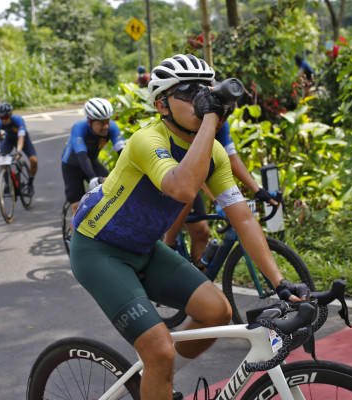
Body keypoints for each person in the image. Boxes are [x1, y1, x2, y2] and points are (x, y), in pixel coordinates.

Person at [69, 54, 309, 400]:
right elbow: (181, 188)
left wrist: (280, 282)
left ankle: (157, 381)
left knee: (217, 312)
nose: (200, 98)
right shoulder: (147, 140)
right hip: (99, 251)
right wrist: (210, 117)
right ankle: (159, 367)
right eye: (188, 92)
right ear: (161, 105)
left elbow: (242, 217)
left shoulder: (214, 153)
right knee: (159, 351)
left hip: (144, 249)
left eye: (205, 90)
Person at [163, 119, 278, 266]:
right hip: (174, 174)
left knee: (201, 233)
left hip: (194, 177)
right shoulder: (194, 123)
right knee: (187, 197)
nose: (218, 125)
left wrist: (258, 190)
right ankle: (167, 246)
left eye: (222, 120)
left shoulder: (222, 123)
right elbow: (195, 174)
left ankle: (200, 276)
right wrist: (217, 199)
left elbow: (232, 159)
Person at [61, 98, 126, 216]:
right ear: (89, 122)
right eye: (101, 123)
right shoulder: (79, 127)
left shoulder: (112, 127)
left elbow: (123, 153)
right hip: (72, 166)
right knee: (77, 208)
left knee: (112, 193)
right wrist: (92, 178)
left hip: (92, 162)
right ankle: (74, 227)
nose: (106, 126)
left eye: (107, 121)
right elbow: (82, 156)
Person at [0, 102, 38, 193]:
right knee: (1, 158)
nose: (4, 120)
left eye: (6, 117)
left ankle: (30, 183)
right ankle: (6, 182)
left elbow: (21, 137)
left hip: (23, 139)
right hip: (9, 139)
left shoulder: (18, 120)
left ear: (10, 115)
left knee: (33, 160)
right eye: (1, 118)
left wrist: (18, 151)